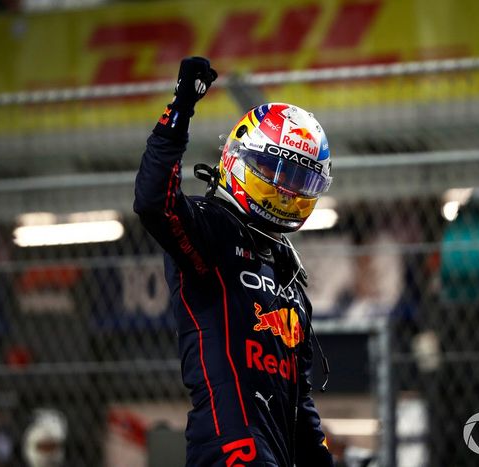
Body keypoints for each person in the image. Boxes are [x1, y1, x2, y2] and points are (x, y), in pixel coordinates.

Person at [134, 57, 334, 466]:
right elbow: (154, 203)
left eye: (299, 182)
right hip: (228, 452)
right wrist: (181, 108)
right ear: (244, 157)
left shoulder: (288, 271)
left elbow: (300, 403)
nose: (285, 191)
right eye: (276, 172)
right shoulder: (212, 231)